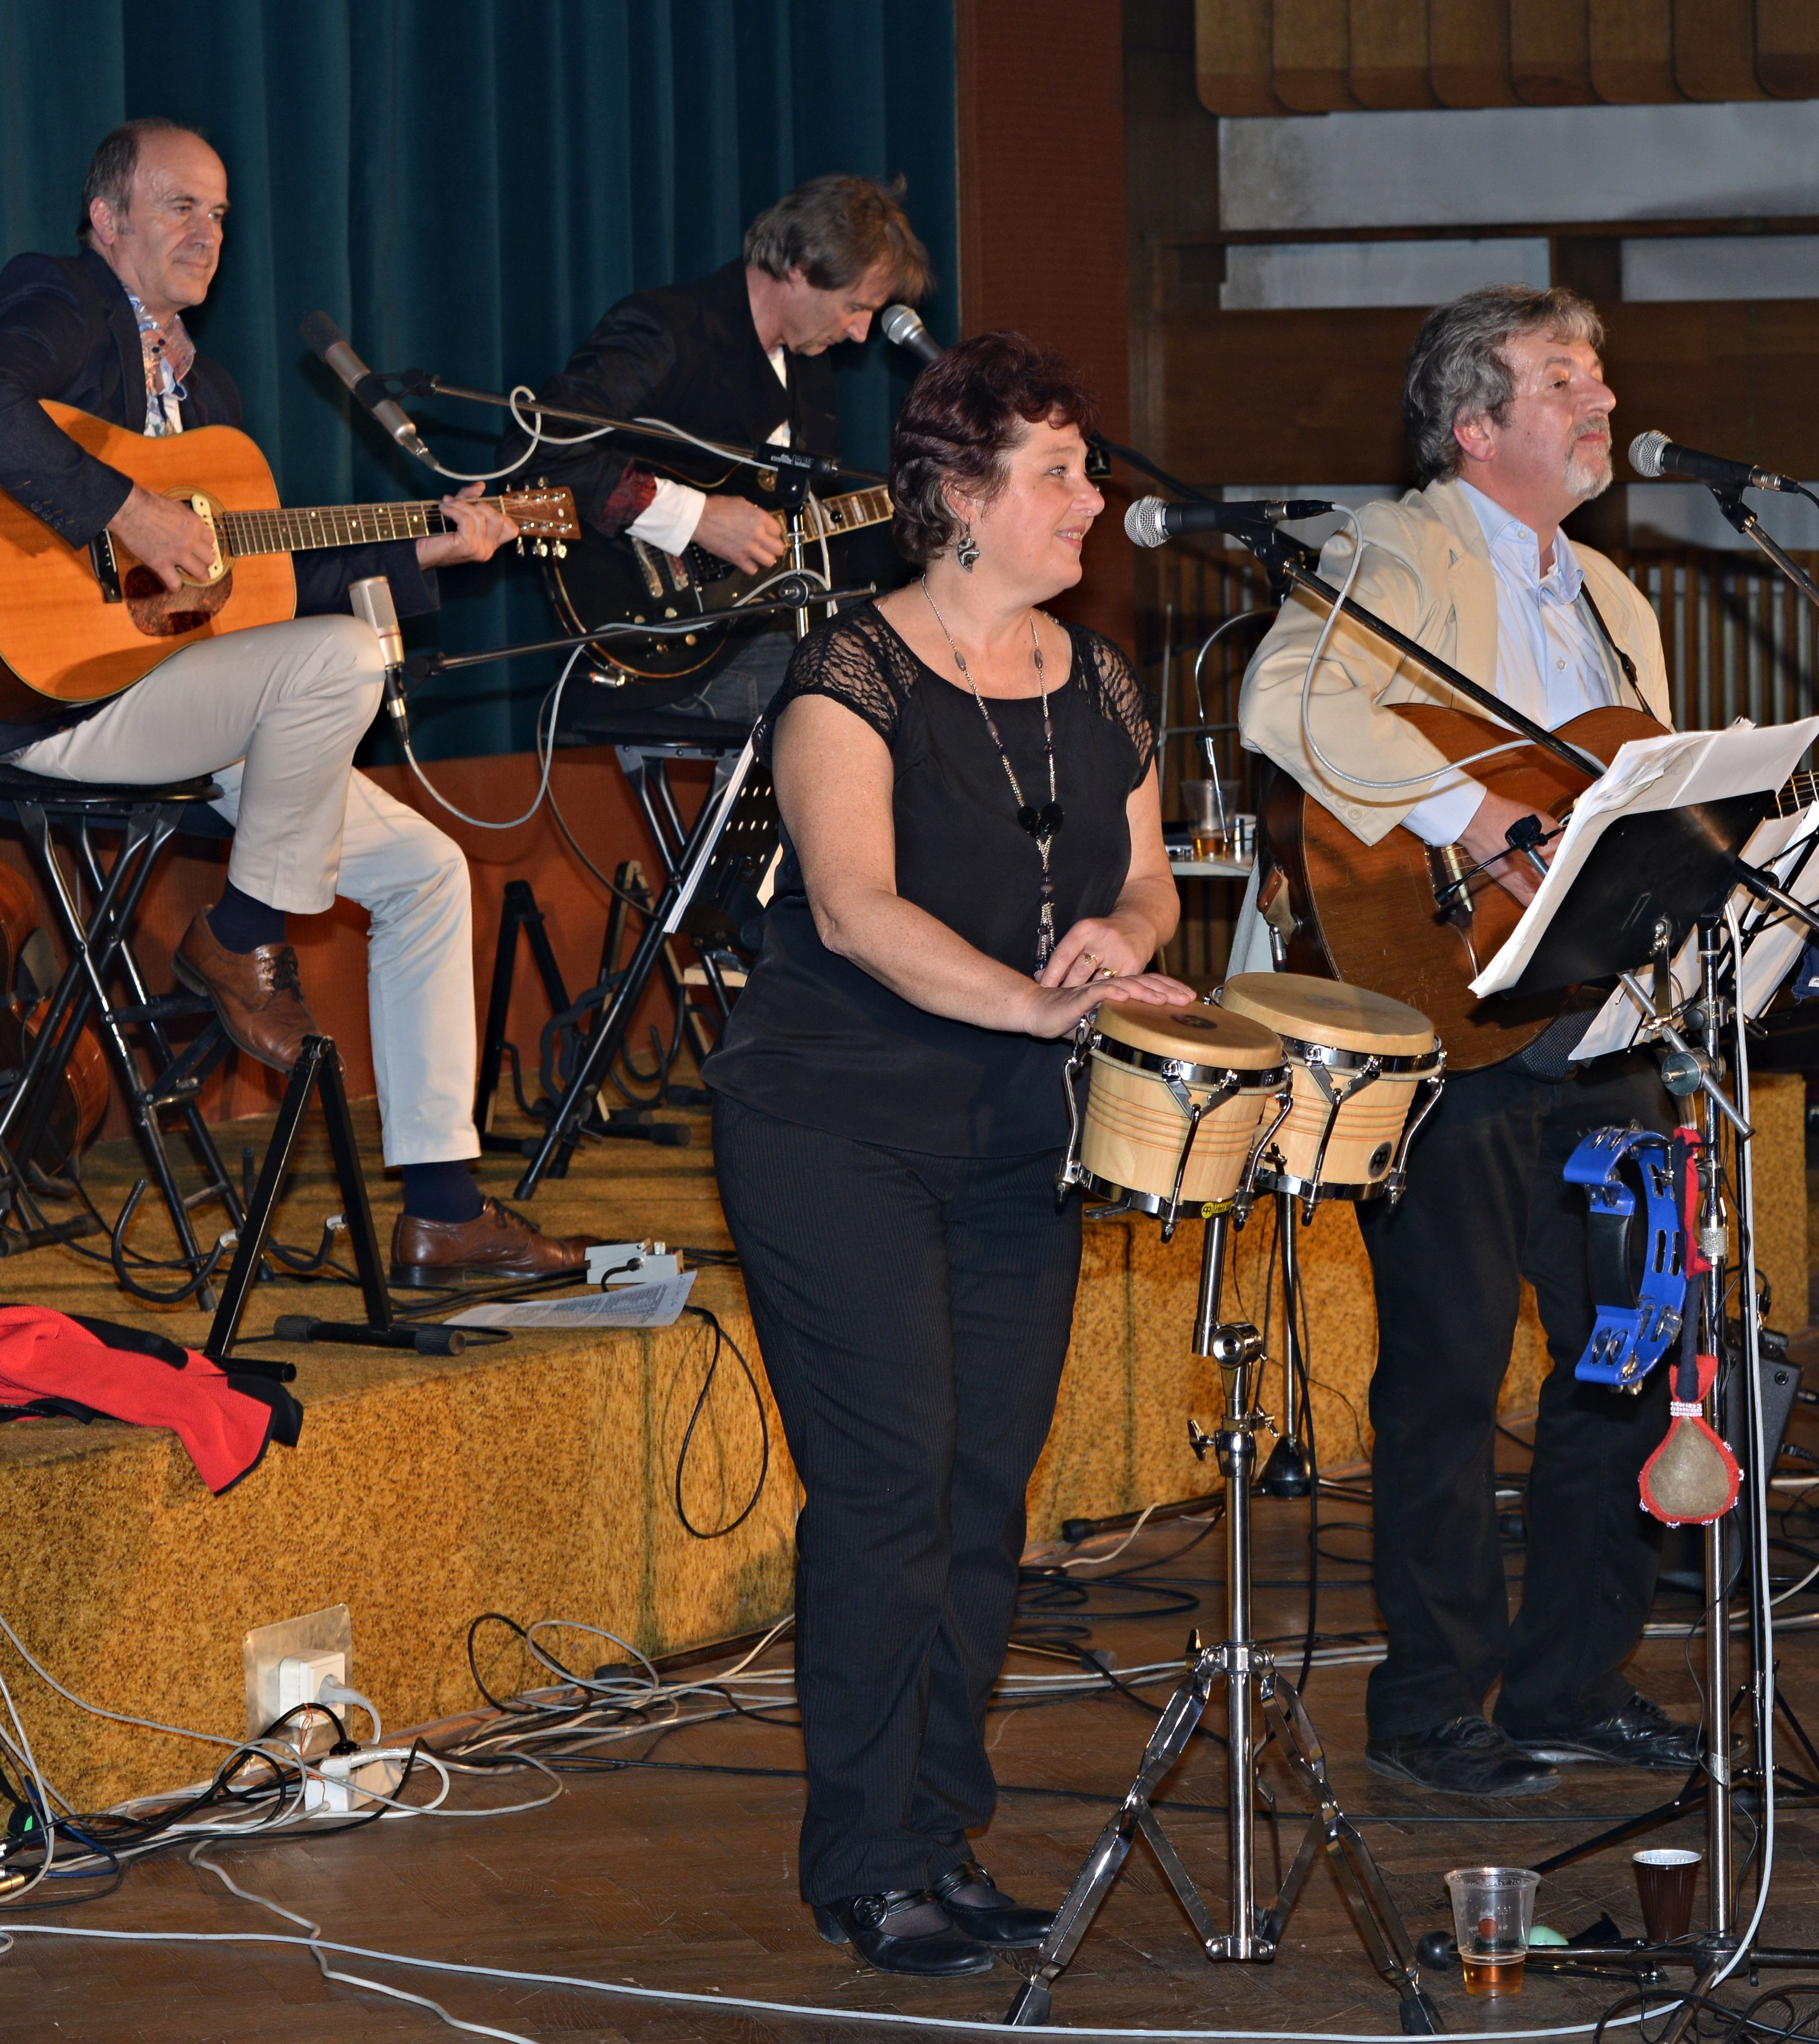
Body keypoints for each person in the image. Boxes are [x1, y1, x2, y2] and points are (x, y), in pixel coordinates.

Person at [1238, 284, 1819, 1799]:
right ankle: (1429, 1701)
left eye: (1598, 377)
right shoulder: (1395, 547)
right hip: (1444, 1019)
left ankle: (1569, 1677)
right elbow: (1280, 701)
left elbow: (1644, 821)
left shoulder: (1615, 598)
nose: (1602, 402)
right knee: (1442, 1380)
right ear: (1472, 425)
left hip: (1603, 1024)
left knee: (1627, 1365)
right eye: (1563, 380)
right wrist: (1468, 814)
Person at [702, 333, 1186, 1977]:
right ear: (961, 498)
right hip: (834, 1122)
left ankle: (936, 1831)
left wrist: (1122, 942)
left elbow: (1147, 878)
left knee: (983, 1495)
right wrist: (1038, 1005)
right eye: (1058, 472)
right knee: (888, 1486)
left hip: (1013, 1136)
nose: (1091, 500)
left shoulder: (1096, 676)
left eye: (1084, 467)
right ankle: (862, 1856)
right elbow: (853, 911)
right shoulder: (845, 675)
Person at [0, 116, 590, 1284]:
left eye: (221, 214)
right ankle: (239, 938)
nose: (208, 233)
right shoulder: (63, 301)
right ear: (106, 220)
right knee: (340, 660)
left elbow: (271, 590)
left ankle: (441, 1209)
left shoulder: (210, 393)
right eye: (180, 205)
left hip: (195, 706)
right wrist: (127, 509)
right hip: (64, 709)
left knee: (430, 870)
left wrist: (429, 552)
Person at [527, 172, 933, 729]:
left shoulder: (808, 365)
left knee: (934, 666)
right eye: (854, 307)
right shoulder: (668, 330)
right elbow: (542, 447)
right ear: (800, 267)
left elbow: (818, 528)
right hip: (665, 648)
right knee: (875, 707)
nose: (862, 333)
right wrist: (694, 518)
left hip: (770, 626)